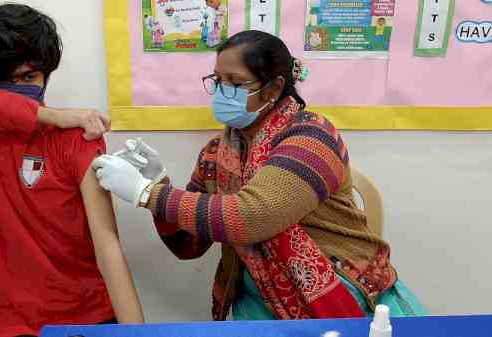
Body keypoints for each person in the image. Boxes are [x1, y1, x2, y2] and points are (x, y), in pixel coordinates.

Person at [93, 30, 426, 321]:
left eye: (236, 83)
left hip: (344, 287)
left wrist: (146, 193)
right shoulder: (217, 154)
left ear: (273, 88)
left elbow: (252, 216)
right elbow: (188, 245)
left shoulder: (311, 136)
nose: (223, 91)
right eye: (217, 81)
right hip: (258, 295)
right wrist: (158, 182)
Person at [0, 4, 143, 336]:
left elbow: (106, 242)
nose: (19, 88)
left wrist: (136, 333)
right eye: (4, 80)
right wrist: (50, 115)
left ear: (46, 74)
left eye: (28, 77)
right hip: (6, 324)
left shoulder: (78, 138)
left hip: (83, 317)